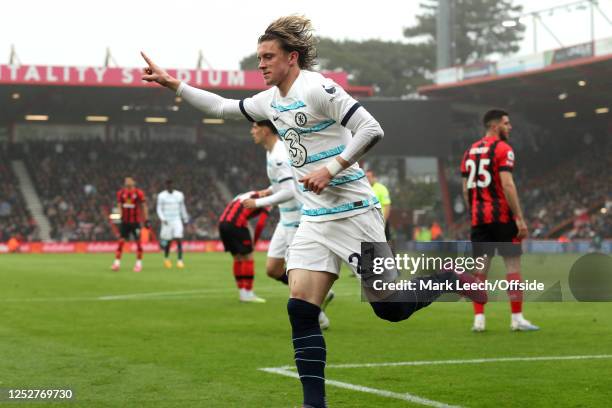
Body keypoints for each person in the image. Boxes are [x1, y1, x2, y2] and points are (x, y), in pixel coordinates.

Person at [141, 16, 486, 408]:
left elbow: (372, 129)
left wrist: (333, 167)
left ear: (292, 57)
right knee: (300, 308)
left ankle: (447, 277)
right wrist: (174, 84)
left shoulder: (319, 89)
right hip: (315, 219)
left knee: (390, 308)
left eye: (268, 57)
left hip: (355, 212)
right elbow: (222, 106)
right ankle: (313, 403)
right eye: (259, 58)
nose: (261, 65)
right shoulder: (269, 101)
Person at [242, 120, 333, 329]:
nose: (252, 131)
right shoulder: (272, 151)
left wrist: (258, 202)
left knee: (296, 274)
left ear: (266, 130)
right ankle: (324, 293)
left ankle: (317, 314)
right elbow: (285, 182)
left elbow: (290, 191)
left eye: (255, 127)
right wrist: (270, 190)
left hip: (297, 220)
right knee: (273, 269)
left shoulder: (280, 155)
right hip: (286, 220)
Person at [461, 109, 539, 332]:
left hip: (479, 219)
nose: (510, 127)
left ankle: (479, 321)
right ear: (495, 126)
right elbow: (507, 184)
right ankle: (517, 319)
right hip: (503, 218)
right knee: (512, 266)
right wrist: (520, 218)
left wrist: (474, 210)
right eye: (507, 123)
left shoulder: (470, 151)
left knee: (480, 270)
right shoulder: (504, 149)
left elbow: (465, 188)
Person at [218, 192, 269, 303]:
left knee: (238, 258)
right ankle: (249, 293)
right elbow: (260, 224)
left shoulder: (246, 194)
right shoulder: (266, 200)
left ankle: (242, 293)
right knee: (248, 258)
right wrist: (254, 242)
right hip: (236, 225)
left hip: (223, 224)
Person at [111, 177, 149, 272]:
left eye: (129, 181)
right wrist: (118, 216)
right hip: (125, 222)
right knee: (121, 242)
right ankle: (116, 263)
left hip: (135, 222)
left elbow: (144, 206)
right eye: (126, 181)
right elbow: (119, 206)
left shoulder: (138, 193)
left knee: (138, 243)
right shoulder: (121, 193)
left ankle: (138, 264)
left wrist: (146, 220)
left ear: (133, 182)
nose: (127, 182)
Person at [156, 179, 189, 269]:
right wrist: (163, 219)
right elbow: (159, 209)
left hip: (176, 220)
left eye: (171, 185)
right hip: (167, 221)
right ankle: (166, 259)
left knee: (178, 239)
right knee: (168, 241)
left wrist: (185, 218)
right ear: (166, 186)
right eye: (168, 185)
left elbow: (182, 207)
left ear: (173, 185)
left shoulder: (179, 195)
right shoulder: (161, 196)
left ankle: (180, 260)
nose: (169, 186)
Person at [366, 169, 392, 241]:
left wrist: (384, 221)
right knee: (367, 243)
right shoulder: (364, 189)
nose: (367, 179)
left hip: (380, 220)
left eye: (369, 177)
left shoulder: (382, 188)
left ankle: (390, 252)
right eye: (366, 177)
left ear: (374, 178)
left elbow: (387, 206)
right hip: (368, 221)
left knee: (384, 243)